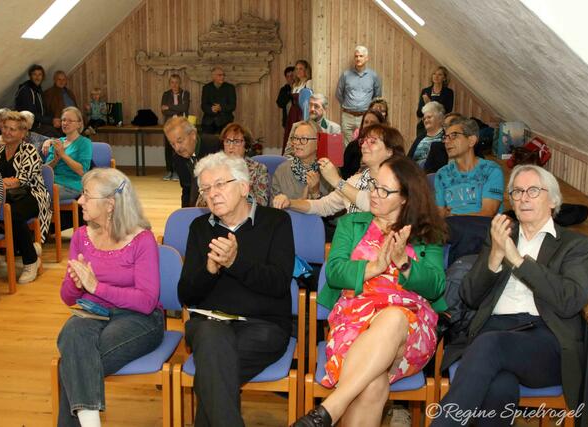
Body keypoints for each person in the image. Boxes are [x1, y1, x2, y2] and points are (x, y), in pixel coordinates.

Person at [433, 165, 588, 426]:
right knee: (499, 386)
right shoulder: (501, 237)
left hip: (545, 341)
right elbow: (470, 297)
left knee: (489, 345)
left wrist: (518, 261)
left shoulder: (576, 246)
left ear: (553, 200)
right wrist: (495, 257)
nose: (523, 198)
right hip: (495, 330)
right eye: (517, 192)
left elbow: (570, 300)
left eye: (533, 191)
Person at [293, 156, 448, 427]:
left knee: (394, 317)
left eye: (384, 190)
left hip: (410, 331)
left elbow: (436, 286)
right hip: (353, 322)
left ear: (405, 197)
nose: (374, 194)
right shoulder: (351, 224)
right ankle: (327, 414)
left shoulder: (426, 233)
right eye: (374, 186)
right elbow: (335, 272)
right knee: (372, 384)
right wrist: (375, 267)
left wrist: (404, 263)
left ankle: (330, 409)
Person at [179, 152, 294, 427]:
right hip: (209, 324)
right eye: (206, 188)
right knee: (211, 342)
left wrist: (234, 263)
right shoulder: (199, 228)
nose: (212, 194)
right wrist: (210, 270)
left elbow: (278, 283)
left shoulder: (276, 222)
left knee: (212, 372)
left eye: (220, 184)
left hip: (263, 327)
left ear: (244, 187)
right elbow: (186, 295)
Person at [56, 168, 164, 427]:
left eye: (87, 195)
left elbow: (147, 301)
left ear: (110, 204)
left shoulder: (142, 239)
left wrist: (96, 287)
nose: (80, 200)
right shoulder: (81, 237)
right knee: (72, 333)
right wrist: (76, 283)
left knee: (71, 365)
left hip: (140, 318)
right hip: (93, 311)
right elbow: (67, 298)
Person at [276, 124, 404, 218]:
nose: (364, 145)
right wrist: (290, 202)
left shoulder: (399, 180)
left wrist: (337, 181)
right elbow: (323, 206)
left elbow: (373, 205)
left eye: (372, 142)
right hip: (352, 240)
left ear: (390, 151)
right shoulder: (356, 180)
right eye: (363, 141)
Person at [0, 111, 51, 284]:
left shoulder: (29, 150)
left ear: (22, 133)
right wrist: (3, 182)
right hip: (3, 198)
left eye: (13, 129)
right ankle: (29, 247)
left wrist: (3, 182)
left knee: (12, 214)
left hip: (33, 195)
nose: (7, 132)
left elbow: (20, 181)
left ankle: (30, 261)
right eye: (5, 127)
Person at [435, 116, 504, 217]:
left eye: (454, 136)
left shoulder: (491, 171)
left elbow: (488, 213)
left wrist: (453, 217)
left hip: (480, 226)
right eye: (445, 137)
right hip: (450, 226)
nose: (447, 142)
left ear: (471, 141)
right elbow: (439, 214)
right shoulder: (442, 174)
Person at [195, 123, 268, 207]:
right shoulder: (214, 167)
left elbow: (262, 202)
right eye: (227, 141)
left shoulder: (258, 169)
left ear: (246, 146)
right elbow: (200, 203)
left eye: (236, 142)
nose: (231, 146)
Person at [163, 117, 221, 207]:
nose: (177, 148)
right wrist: (186, 213)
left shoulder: (215, 146)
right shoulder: (177, 159)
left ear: (193, 135)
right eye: (172, 144)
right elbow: (187, 189)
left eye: (180, 141)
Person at [272, 121, 330, 208]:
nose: (297, 143)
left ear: (318, 143)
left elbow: (335, 212)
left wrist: (316, 193)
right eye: (295, 138)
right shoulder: (282, 170)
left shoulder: (328, 171)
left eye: (304, 139)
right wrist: (299, 202)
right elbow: (273, 209)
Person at [44, 107, 93, 201]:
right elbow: (46, 170)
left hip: (71, 186)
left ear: (79, 124)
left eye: (70, 121)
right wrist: (55, 159)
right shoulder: (58, 142)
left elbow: (82, 171)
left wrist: (63, 155)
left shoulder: (85, 143)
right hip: (51, 183)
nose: (65, 123)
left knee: (38, 196)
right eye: (63, 120)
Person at [336, 46, 382, 143]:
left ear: (366, 58)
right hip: (347, 116)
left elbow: (377, 95)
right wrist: (348, 105)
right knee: (347, 144)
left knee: (365, 141)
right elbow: (339, 93)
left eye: (361, 56)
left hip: (365, 116)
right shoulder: (346, 75)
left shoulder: (373, 76)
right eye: (356, 56)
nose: (358, 58)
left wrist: (368, 108)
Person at [284, 93, 342, 158]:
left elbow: (335, 156)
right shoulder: (297, 126)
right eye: (310, 105)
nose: (312, 109)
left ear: (324, 109)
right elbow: (288, 154)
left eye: (316, 106)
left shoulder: (333, 128)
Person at [341, 108, 387, 180]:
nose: (368, 125)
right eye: (366, 122)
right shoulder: (353, 146)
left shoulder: (386, 147)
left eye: (373, 123)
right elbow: (344, 171)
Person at [161, 74, 190, 181]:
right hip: (169, 125)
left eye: (176, 82)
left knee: (179, 148)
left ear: (180, 83)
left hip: (181, 125)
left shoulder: (185, 94)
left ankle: (178, 171)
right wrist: (177, 109)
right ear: (169, 83)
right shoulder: (166, 94)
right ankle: (170, 171)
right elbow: (164, 111)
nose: (174, 85)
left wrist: (169, 107)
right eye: (172, 82)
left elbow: (184, 108)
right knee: (168, 148)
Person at [15, 64, 58, 136]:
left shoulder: (38, 90)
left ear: (43, 77)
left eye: (40, 74)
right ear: (30, 76)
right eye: (34, 74)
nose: (37, 77)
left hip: (39, 125)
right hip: (28, 128)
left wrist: (53, 119)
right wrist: (51, 121)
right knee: (56, 135)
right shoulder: (26, 90)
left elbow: (43, 110)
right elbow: (31, 114)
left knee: (59, 133)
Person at [408, 101, 447, 173]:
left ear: (439, 118)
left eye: (429, 117)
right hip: (413, 173)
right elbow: (408, 159)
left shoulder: (446, 136)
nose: (426, 120)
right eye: (424, 118)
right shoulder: (420, 137)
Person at [282, 60, 313, 153]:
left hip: (301, 113)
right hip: (293, 112)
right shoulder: (296, 84)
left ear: (306, 70)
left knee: (299, 135)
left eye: (301, 69)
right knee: (290, 136)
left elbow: (308, 102)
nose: (298, 71)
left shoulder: (309, 83)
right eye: (297, 69)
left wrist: (305, 117)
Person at [416, 66, 454, 137]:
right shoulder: (425, 91)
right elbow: (419, 113)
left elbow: (447, 110)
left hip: (440, 126)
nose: (436, 76)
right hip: (425, 126)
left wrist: (430, 103)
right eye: (434, 74)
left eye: (439, 74)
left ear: (444, 78)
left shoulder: (449, 92)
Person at [200, 67, 236, 134]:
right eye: (219, 75)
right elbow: (203, 105)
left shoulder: (230, 88)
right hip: (209, 121)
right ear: (213, 76)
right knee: (205, 137)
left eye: (223, 75)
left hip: (225, 120)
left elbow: (232, 106)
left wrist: (220, 108)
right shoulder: (206, 88)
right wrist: (212, 109)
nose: (222, 77)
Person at [44, 70, 79, 136]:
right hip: (60, 124)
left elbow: (76, 107)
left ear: (66, 81)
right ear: (54, 80)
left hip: (73, 122)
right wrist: (53, 121)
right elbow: (46, 111)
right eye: (59, 79)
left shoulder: (69, 93)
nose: (61, 82)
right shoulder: (49, 93)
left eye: (63, 79)